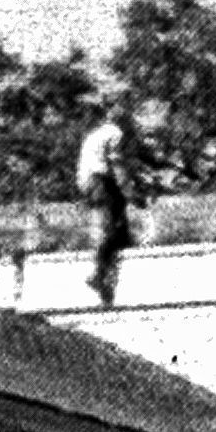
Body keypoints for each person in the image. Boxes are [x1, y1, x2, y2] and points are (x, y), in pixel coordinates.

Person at [76, 101, 137, 307]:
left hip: (88, 182)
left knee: (116, 231)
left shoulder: (95, 134)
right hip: (100, 181)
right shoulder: (115, 133)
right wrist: (129, 191)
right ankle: (98, 274)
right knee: (109, 230)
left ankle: (105, 284)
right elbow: (117, 164)